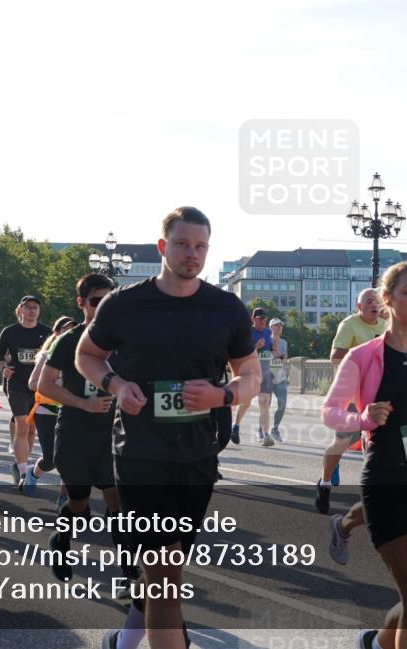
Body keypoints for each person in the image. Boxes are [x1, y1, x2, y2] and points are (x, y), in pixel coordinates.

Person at [76, 207, 259, 649]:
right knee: (163, 575)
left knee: (167, 568)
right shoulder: (124, 304)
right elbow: (86, 355)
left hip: (198, 455)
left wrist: (222, 396)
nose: (191, 254)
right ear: (163, 246)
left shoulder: (225, 307)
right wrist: (116, 385)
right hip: (140, 454)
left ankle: (126, 638)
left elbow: (251, 373)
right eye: (182, 244)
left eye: (200, 246)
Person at [321, 262, 407, 649]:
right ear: (388, 299)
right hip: (386, 483)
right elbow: (330, 411)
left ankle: (379, 643)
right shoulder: (363, 356)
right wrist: (363, 418)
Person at [37, 274, 129, 584]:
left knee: (116, 500)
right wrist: (82, 403)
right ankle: (61, 541)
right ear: (81, 303)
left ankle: (128, 570)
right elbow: (44, 384)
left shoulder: (124, 340)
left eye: (108, 299)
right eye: (95, 301)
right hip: (75, 432)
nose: (102, 306)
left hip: (113, 435)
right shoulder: (68, 340)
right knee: (79, 501)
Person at [315, 288, 387, 515]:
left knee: (378, 445)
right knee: (341, 443)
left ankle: (377, 493)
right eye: (369, 301)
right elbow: (335, 357)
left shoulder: (386, 324)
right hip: (354, 396)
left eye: (377, 301)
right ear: (359, 307)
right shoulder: (349, 325)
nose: (374, 304)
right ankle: (325, 483)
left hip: (379, 395)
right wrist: (362, 358)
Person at [0, 296, 50, 488]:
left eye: (35, 308)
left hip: (38, 388)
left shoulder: (46, 332)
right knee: (23, 426)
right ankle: (24, 471)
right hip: (16, 385)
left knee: (32, 430)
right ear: (21, 310)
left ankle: (20, 464)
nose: (32, 311)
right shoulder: (10, 332)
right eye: (28, 308)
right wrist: (3, 369)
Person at [23, 315, 77, 496]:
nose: (69, 333)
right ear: (56, 333)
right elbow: (32, 384)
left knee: (68, 458)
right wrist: (55, 385)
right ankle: (33, 473)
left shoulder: (80, 357)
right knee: (51, 458)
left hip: (68, 410)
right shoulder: (47, 356)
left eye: (72, 330)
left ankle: (64, 498)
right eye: (64, 330)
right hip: (46, 410)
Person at [231, 306, 274, 447]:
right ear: (253, 319)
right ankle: (235, 426)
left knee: (264, 403)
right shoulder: (248, 332)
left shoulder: (268, 332)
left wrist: (274, 349)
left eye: (264, 319)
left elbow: (271, 350)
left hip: (265, 373)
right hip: (250, 373)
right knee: (246, 403)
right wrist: (256, 347)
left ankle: (266, 435)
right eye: (259, 319)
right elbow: (241, 352)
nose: (262, 321)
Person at [268, 317, 289, 443]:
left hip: (280, 377)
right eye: (277, 325)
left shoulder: (284, 343)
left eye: (281, 325)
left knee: (282, 404)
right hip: (267, 377)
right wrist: (279, 357)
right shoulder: (266, 341)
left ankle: (275, 429)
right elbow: (269, 358)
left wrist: (278, 358)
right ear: (271, 327)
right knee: (266, 406)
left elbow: (284, 359)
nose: (279, 327)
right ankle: (261, 430)